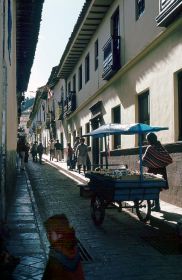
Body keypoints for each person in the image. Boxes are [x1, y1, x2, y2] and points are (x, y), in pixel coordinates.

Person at [42, 214, 85, 280]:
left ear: (60, 234)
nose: (48, 236)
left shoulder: (55, 256)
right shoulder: (74, 248)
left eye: (50, 233)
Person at [142, 132, 173, 212]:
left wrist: (143, 162)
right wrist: (159, 163)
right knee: (157, 188)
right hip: (161, 170)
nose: (147, 141)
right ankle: (154, 204)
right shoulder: (161, 147)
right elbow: (168, 159)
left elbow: (144, 160)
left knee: (154, 187)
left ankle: (157, 206)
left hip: (153, 171)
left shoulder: (150, 148)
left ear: (150, 140)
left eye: (148, 139)